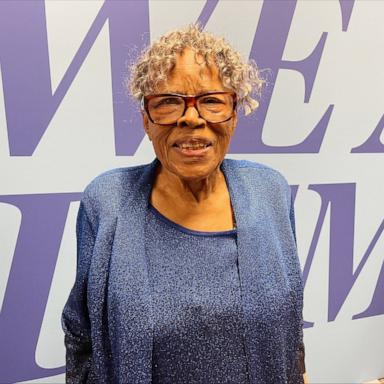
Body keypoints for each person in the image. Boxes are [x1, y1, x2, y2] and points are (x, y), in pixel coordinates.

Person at [62, 24, 306, 384]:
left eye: (211, 100)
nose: (191, 117)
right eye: (169, 102)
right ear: (147, 119)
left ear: (233, 114)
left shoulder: (270, 191)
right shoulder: (107, 201)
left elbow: (289, 330)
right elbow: (81, 336)